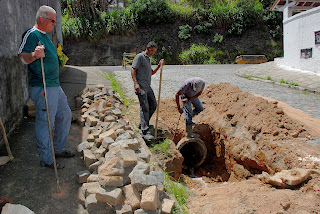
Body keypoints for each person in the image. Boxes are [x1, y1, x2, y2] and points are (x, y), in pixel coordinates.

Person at [18, 5, 74, 169]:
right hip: (43, 86)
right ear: (42, 19)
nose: (54, 24)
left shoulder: (46, 36)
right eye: (52, 21)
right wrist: (34, 55)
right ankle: (47, 159)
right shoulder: (32, 35)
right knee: (45, 123)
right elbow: (21, 58)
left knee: (64, 114)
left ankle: (57, 148)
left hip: (54, 85)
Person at [131, 41, 165, 140]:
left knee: (153, 105)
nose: (152, 53)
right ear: (147, 48)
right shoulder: (140, 57)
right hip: (141, 86)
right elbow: (133, 69)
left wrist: (159, 66)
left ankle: (143, 124)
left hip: (147, 86)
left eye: (154, 52)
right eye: (151, 51)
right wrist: (136, 83)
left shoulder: (148, 59)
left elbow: (150, 73)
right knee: (144, 107)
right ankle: (145, 131)